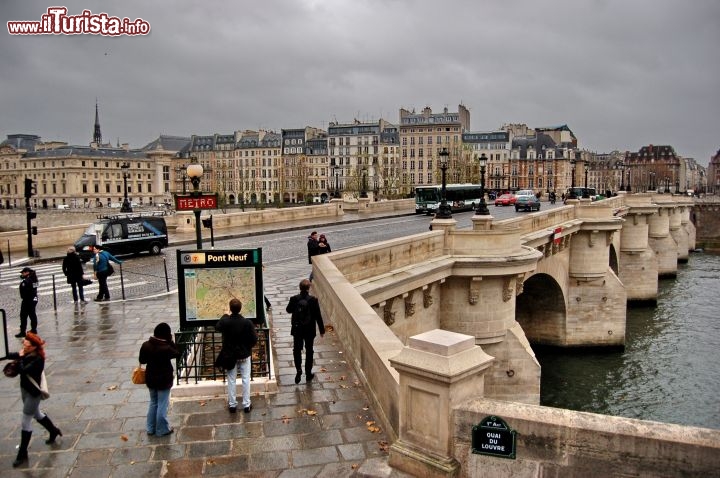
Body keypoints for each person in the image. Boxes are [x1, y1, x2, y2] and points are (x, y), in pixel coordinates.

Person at [6, 332, 62, 468]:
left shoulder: (38, 360)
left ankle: (22, 453)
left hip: (33, 393)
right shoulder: (25, 353)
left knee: (26, 421)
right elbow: (11, 355)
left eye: (26, 342)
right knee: (37, 414)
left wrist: (19, 359)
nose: (24, 343)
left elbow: (24, 370)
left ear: (33, 347)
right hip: (25, 389)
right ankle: (54, 431)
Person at [215, 298, 258, 413]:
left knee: (231, 380)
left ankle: (232, 405)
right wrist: (247, 347)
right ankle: (246, 404)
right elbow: (254, 339)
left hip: (230, 356)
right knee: (245, 379)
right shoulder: (247, 323)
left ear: (230, 308)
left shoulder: (226, 321)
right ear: (240, 308)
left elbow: (217, 327)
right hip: (244, 355)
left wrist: (224, 315)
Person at [139, 322, 180, 437]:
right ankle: (162, 429)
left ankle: (150, 428)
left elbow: (142, 360)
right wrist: (171, 341)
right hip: (163, 379)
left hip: (151, 378)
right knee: (162, 404)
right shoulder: (166, 348)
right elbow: (177, 352)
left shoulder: (146, 345)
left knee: (153, 402)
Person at [286, 278, 325, 384]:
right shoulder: (313, 300)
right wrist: (322, 330)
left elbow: (288, 310)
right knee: (309, 350)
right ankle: (308, 373)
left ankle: (298, 370)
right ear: (309, 288)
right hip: (309, 330)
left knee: (297, 350)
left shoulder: (294, 299)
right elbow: (318, 316)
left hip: (297, 329)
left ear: (299, 288)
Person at [16, 267, 39, 338]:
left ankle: (23, 331)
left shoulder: (26, 280)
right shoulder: (34, 278)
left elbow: (24, 291)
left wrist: (24, 297)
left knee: (23, 315)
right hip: (34, 299)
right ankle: (34, 329)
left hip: (27, 300)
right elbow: (35, 287)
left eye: (23, 272)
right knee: (32, 314)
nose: (22, 274)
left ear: (27, 272)